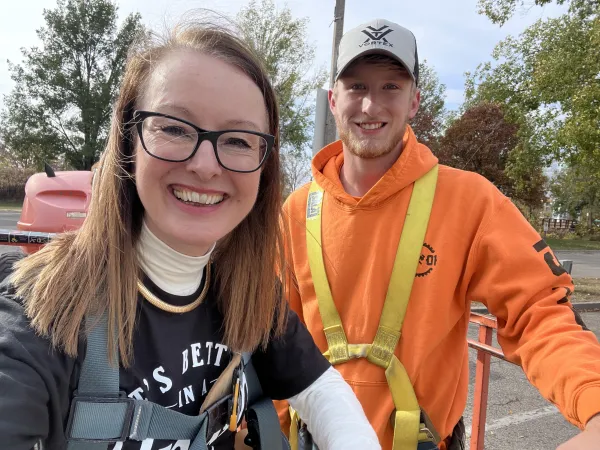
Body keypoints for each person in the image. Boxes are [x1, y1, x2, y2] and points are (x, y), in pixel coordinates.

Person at [0, 18, 381, 450]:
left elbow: (320, 389)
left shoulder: (248, 294)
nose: (205, 164)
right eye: (175, 128)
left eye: (238, 140)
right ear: (129, 140)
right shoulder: (41, 318)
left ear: (264, 165)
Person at [277, 18, 600, 450]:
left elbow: (539, 312)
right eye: (356, 87)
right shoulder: (296, 211)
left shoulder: (469, 202)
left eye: (391, 87)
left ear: (414, 101)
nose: (371, 106)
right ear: (334, 100)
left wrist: (595, 407)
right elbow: (268, 335)